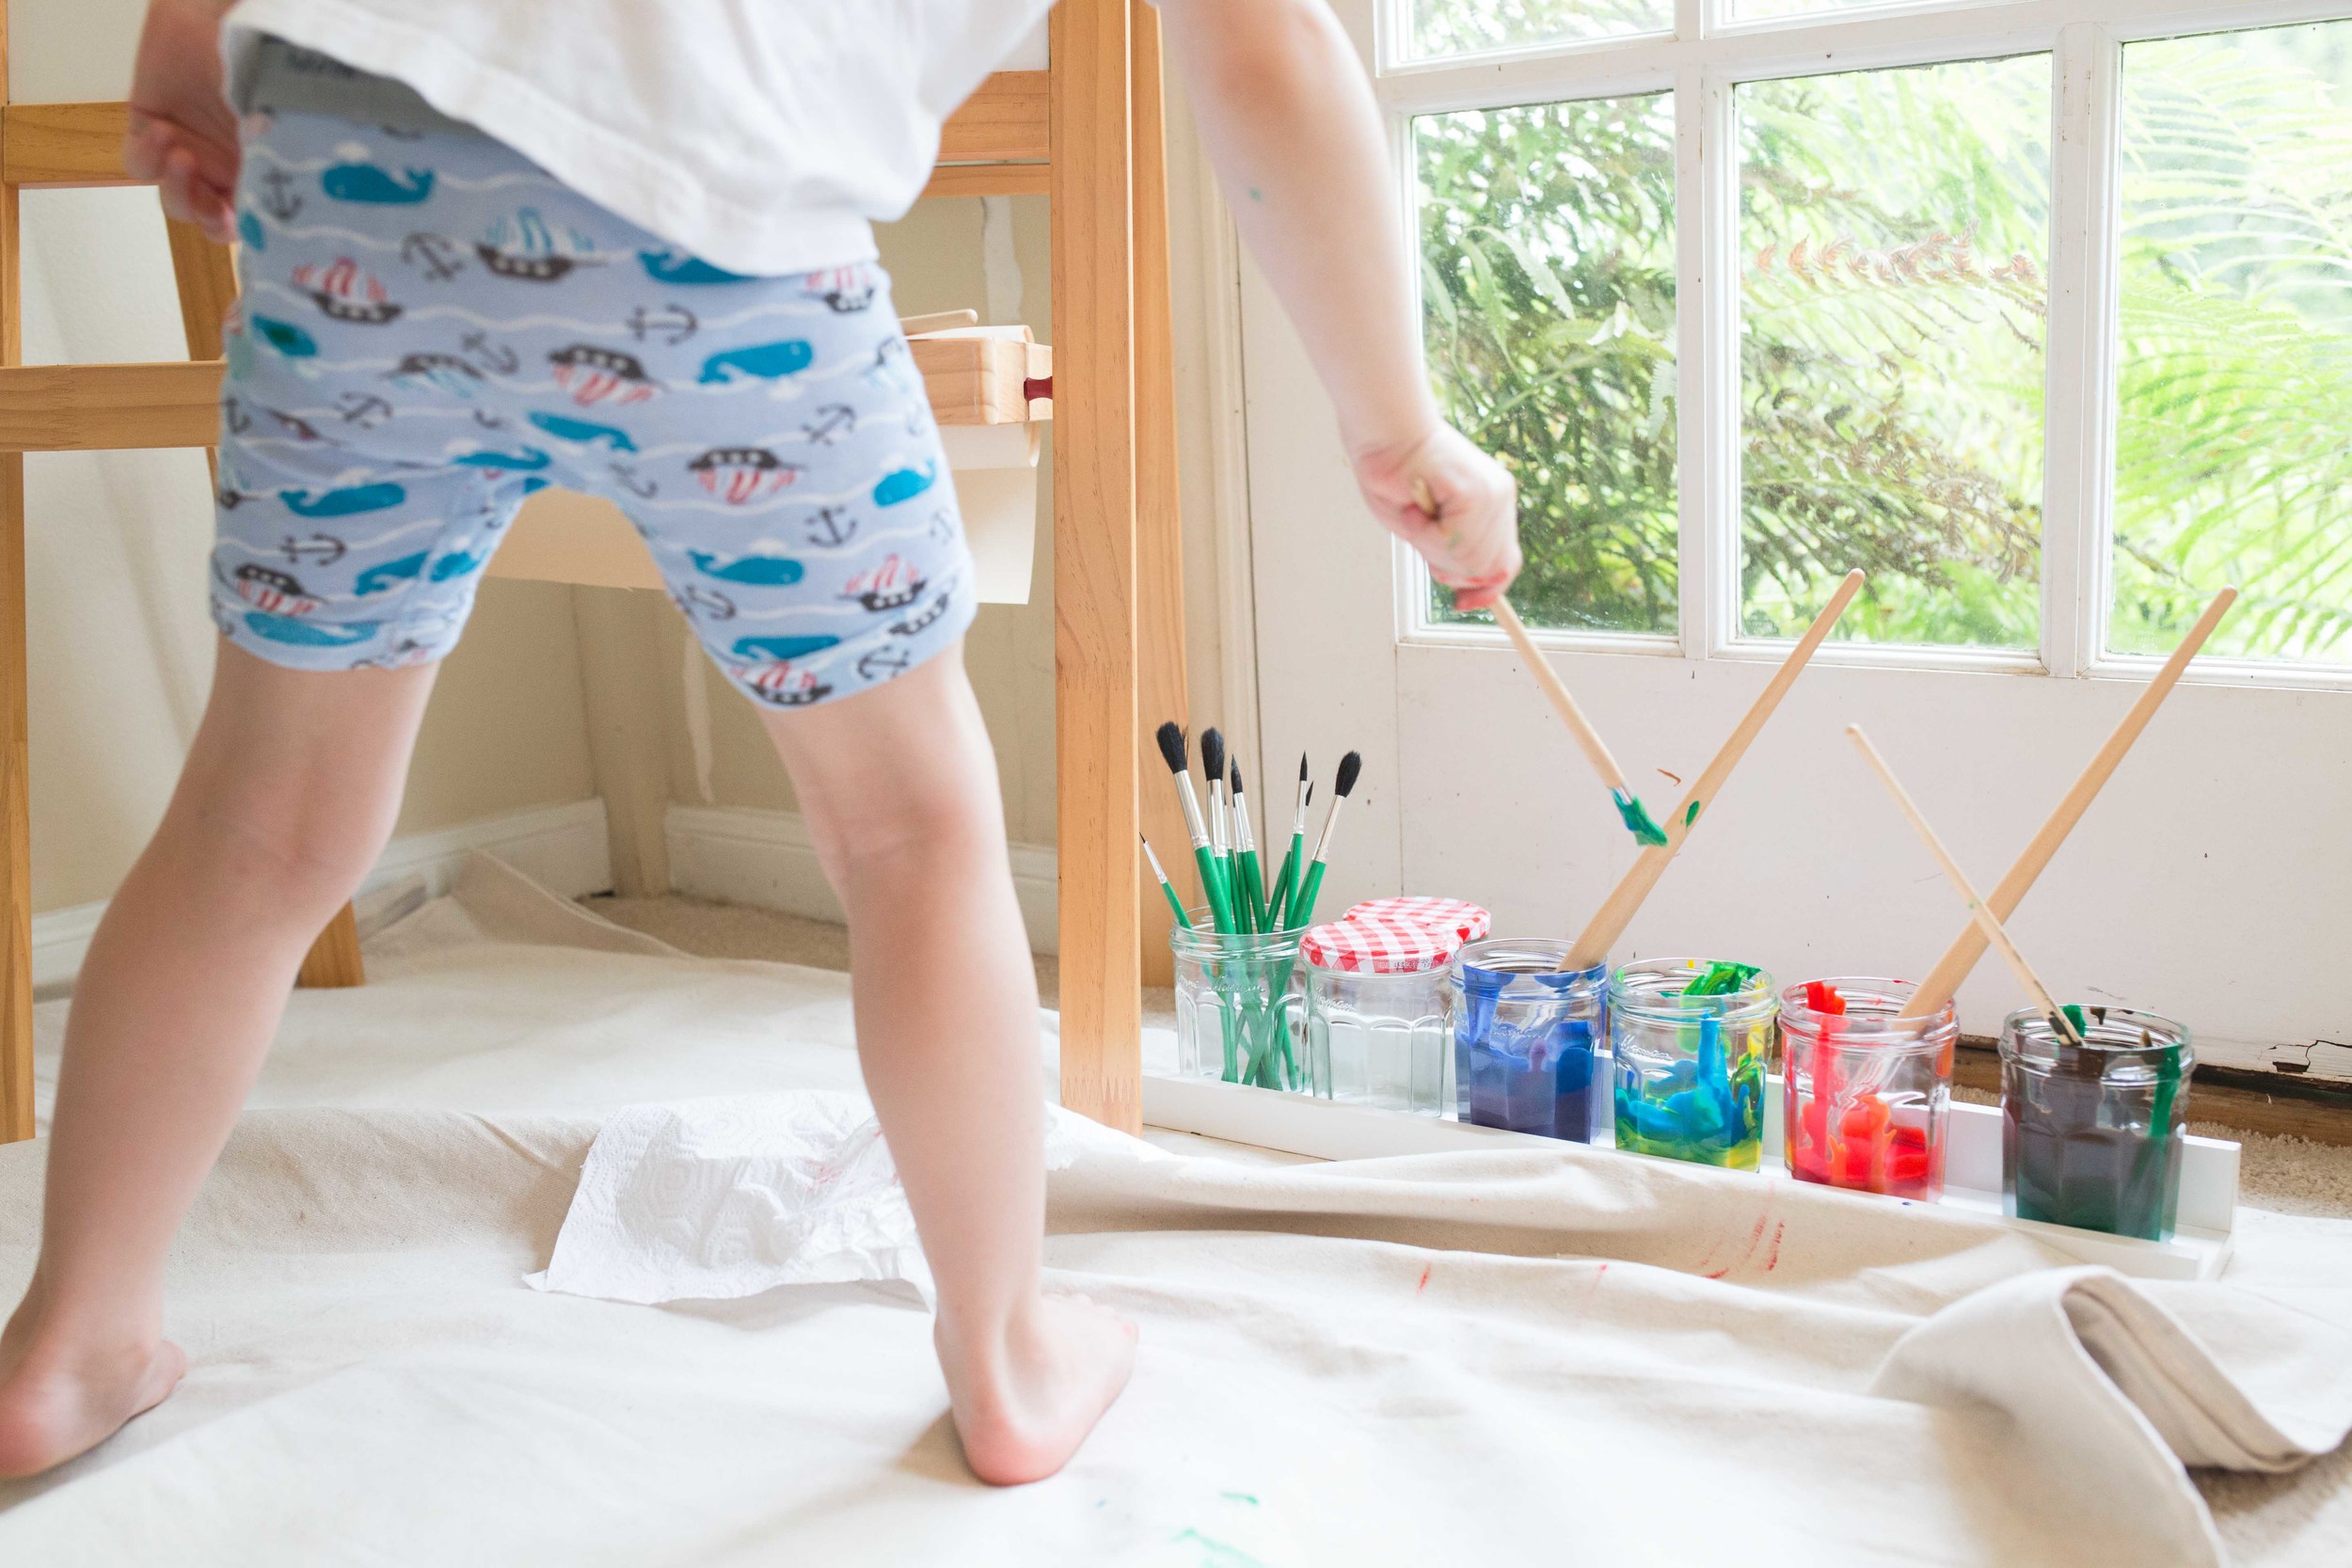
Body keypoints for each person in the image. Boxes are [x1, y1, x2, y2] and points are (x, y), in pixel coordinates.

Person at [0, 0, 1519, 1486]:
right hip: (712, 210)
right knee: (909, 831)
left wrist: (191, 40)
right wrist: (1397, 427)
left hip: (355, 151)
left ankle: (67, 1343)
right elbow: (1265, 46)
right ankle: (1006, 1354)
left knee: (256, 823)